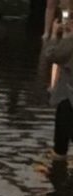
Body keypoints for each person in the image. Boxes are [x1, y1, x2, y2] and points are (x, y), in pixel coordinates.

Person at [45, 19, 73, 158]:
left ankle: (57, 172)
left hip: (67, 97)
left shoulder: (70, 42)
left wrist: (55, 35)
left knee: (60, 146)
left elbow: (51, 55)